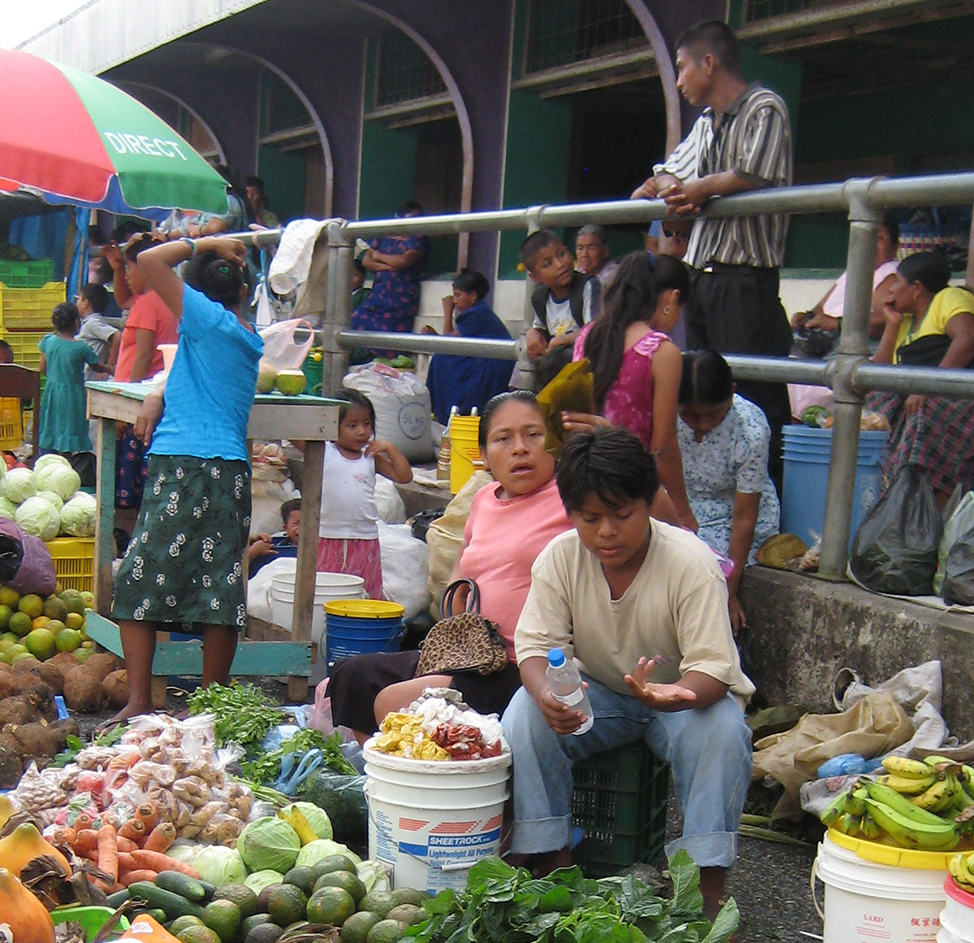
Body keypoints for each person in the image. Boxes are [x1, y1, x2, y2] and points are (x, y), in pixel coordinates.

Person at [502, 426, 753, 913]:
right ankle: (549, 862)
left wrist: (674, 695)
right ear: (570, 513)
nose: (607, 532)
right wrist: (546, 696)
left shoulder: (690, 563)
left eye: (622, 515)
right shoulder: (560, 558)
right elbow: (534, 647)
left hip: (681, 702)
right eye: (590, 518)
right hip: (600, 694)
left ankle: (705, 888)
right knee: (524, 715)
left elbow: (714, 668)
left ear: (650, 502)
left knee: (723, 729)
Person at [327, 391, 572, 735]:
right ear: (485, 456)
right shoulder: (485, 498)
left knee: (393, 701)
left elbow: (645, 506)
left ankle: (407, 781)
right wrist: (454, 618)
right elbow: (462, 567)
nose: (520, 448)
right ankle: (381, 781)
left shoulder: (572, 496)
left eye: (533, 435)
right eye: (503, 438)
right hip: (469, 653)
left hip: (519, 665)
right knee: (353, 675)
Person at [111, 235, 264, 710]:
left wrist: (207, 241)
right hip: (229, 471)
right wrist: (158, 394)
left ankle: (139, 700)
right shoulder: (244, 334)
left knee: (138, 578)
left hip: (183, 466)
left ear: (193, 294)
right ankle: (212, 702)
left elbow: (149, 260)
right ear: (242, 293)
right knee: (218, 587)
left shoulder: (204, 319)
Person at [636, 19, 793, 481]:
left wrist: (699, 189)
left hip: (745, 277)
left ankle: (768, 500)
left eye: (683, 68)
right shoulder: (706, 123)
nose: (680, 80)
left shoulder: (765, 108)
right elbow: (665, 173)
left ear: (709, 62)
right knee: (704, 391)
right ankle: (713, 489)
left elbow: (753, 172)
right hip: (700, 275)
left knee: (753, 395)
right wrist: (674, 188)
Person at [867, 248, 974, 506]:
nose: (891, 290)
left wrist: (929, 387)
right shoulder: (906, 322)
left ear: (916, 288)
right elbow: (879, 376)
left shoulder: (949, 298)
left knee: (921, 413)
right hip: (940, 401)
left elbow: (969, 338)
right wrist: (892, 324)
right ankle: (894, 501)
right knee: (877, 407)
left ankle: (926, 506)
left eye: (896, 282)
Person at [563, 252, 700, 535]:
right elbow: (663, 449)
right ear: (672, 299)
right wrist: (683, 512)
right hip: (631, 492)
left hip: (583, 480)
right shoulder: (661, 352)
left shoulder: (588, 336)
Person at [674, 351, 780, 632]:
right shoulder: (665, 415)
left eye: (712, 414)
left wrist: (730, 592)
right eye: (690, 416)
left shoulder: (750, 430)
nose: (703, 425)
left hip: (733, 512)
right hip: (683, 503)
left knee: (702, 567)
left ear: (732, 394)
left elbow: (744, 517)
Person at [312, 390, 413, 597]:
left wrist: (390, 448)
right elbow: (296, 434)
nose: (362, 432)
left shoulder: (370, 456)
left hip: (364, 537)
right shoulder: (325, 451)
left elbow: (404, 476)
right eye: (352, 425)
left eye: (367, 424)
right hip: (329, 534)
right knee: (327, 591)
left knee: (362, 592)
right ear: (333, 426)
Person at [111, 238, 181, 509]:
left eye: (129, 268)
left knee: (127, 488)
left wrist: (124, 404)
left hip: (136, 401)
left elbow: (142, 355)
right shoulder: (171, 301)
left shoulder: (146, 304)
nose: (127, 276)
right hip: (157, 397)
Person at [425, 269, 515, 423]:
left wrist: (447, 313)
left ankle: (447, 411)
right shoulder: (475, 312)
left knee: (441, 359)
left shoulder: (477, 313)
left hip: (493, 363)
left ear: (473, 296)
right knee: (442, 358)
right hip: (484, 358)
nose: (454, 300)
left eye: (458, 295)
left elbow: (450, 344)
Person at [792, 217, 900, 343]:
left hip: (853, 344)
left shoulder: (891, 273)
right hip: (823, 339)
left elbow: (881, 320)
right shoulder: (855, 270)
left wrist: (837, 324)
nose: (869, 244)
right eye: (865, 237)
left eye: (879, 239)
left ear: (895, 247)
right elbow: (819, 308)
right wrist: (806, 318)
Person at [519, 229, 597, 388]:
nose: (560, 265)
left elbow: (595, 329)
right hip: (559, 374)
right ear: (534, 276)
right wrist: (532, 333)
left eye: (561, 254)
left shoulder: (588, 286)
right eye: (548, 264)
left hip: (590, 370)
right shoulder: (540, 298)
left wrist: (562, 340)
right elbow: (540, 328)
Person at [39, 300, 104, 473]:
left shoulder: (48, 341)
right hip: (73, 395)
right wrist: (112, 367)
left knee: (53, 426)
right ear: (77, 323)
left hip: (52, 392)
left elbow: (42, 368)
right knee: (67, 432)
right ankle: (64, 468)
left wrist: (55, 378)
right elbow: (97, 366)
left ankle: (51, 469)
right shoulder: (81, 348)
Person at [351, 205, 428, 336]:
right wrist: (389, 267)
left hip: (400, 298)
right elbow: (367, 261)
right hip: (379, 296)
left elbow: (403, 261)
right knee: (356, 321)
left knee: (391, 336)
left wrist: (379, 256)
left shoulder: (418, 240)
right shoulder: (383, 236)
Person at [247, 495, 300, 576]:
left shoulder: (322, 550)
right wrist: (255, 550)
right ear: (286, 528)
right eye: (296, 523)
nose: (303, 528)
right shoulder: (271, 546)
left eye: (308, 523)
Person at [77, 282, 119, 372]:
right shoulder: (89, 322)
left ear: (85, 303)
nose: (77, 303)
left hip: (89, 378)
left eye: (79, 299)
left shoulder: (93, 322)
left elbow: (117, 336)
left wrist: (109, 366)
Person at [576, 225, 618, 295]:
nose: (584, 255)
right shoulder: (577, 271)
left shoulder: (614, 275)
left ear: (605, 251)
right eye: (580, 248)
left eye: (591, 248)